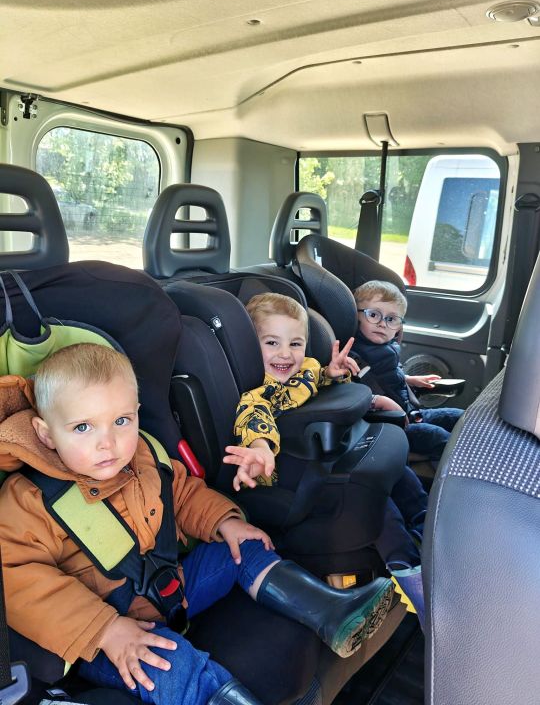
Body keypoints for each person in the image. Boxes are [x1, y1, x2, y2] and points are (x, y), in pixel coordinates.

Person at [0, 343, 395, 705]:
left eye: (121, 420)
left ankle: (331, 611)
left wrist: (224, 522)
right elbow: (17, 581)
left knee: (241, 548)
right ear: (46, 434)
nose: (108, 442)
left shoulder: (143, 455)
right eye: (83, 427)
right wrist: (104, 629)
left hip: (171, 587)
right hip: (109, 636)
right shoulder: (29, 499)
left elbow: (182, 495)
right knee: (170, 664)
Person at [223, 293, 427, 628]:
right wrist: (260, 448)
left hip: (326, 452)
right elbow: (254, 420)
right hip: (294, 470)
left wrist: (333, 373)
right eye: (272, 343)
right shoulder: (259, 394)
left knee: (400, 474)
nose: (285, 354)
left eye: (295, 343)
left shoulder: (304, 368)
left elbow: (316, 380)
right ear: (250, 346)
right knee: (376, 499)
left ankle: (426, 528)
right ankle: (409, 573)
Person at [352, 280, 464, 463]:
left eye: (391, 319)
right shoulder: (352, 354)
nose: (382, 324)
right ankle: (462, 468)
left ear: (399, 326)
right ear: (355, 316)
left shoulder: (387, 348)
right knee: (437, 436)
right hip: (385, 425)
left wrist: (409, 379)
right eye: (373, 315)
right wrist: (378, 401)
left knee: (460, 417)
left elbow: (385, 376)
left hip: (409, 414)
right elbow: (352, 390)